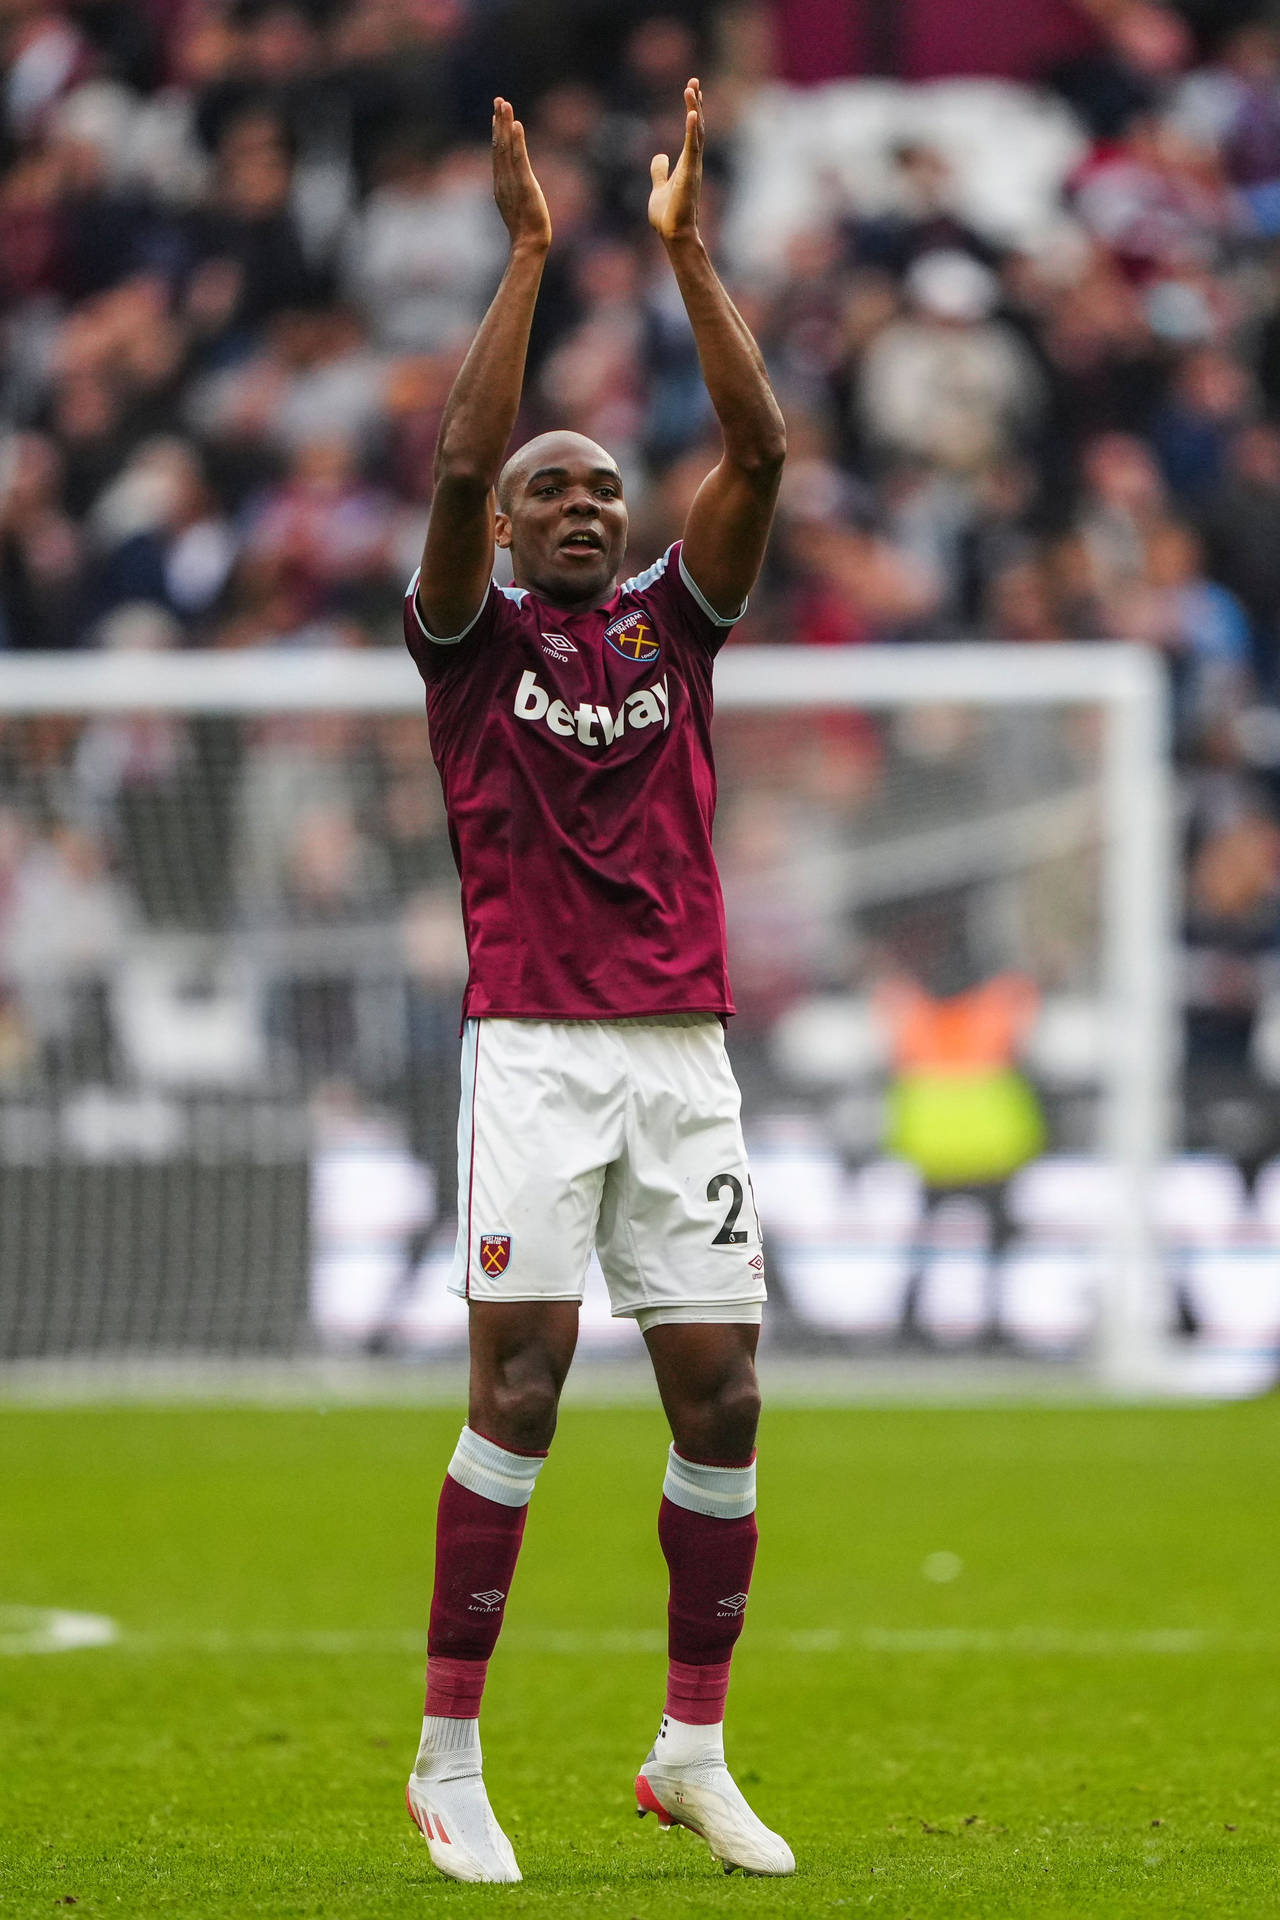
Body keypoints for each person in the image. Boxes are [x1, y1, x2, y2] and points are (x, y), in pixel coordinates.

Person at [399, 83, 792, 1883]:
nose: (578, 503)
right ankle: (448, 1755)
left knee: (722, 1399)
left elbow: (764, 456)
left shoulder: (670, 628)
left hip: (684, 1054)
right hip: (537, 1052)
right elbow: (463, 468)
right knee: (527, 1389)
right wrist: (536, 254)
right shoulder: (471, 648)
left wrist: (691, 255)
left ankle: (690, 1750)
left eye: (602, 489)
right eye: (554, 488)